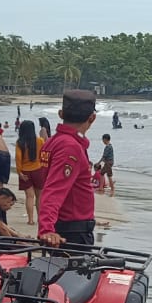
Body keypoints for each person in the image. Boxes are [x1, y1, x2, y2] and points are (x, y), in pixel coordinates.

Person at [37, 91, 99, 248]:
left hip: (65, 225)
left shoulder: (52, 142)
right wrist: (46, 229)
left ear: (61, 114)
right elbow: (53, 190)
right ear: (92, 118)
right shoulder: (69, 146)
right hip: (72, 232)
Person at [14, 120, 46, 226]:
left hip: (25, 172)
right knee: (39, 197)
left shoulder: (20, 143)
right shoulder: (40, 141)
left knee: (29, 197)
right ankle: (40, 219)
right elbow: (44, 155)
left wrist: (19, 172)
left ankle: (31, 220)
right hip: (38, 170)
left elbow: (18, 158)